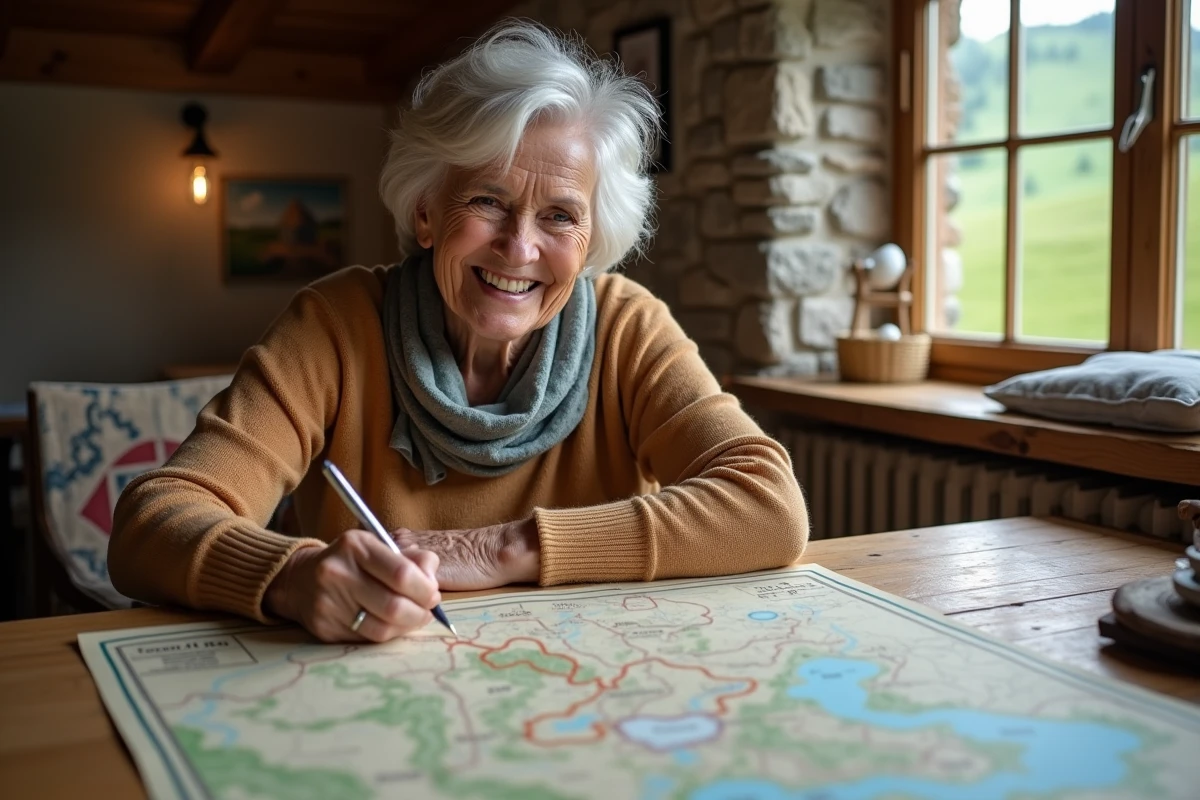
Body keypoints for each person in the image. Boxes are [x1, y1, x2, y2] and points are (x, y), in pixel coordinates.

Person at [109, 20, 808, 644]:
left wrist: (505, 548)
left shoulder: (629, 326)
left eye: (561, 216)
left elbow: (769, 505)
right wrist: (292, 574)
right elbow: (151, 524)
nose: (519, 247)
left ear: (595, 236)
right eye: (487, 201)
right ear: (424, 211)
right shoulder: (336, 325)